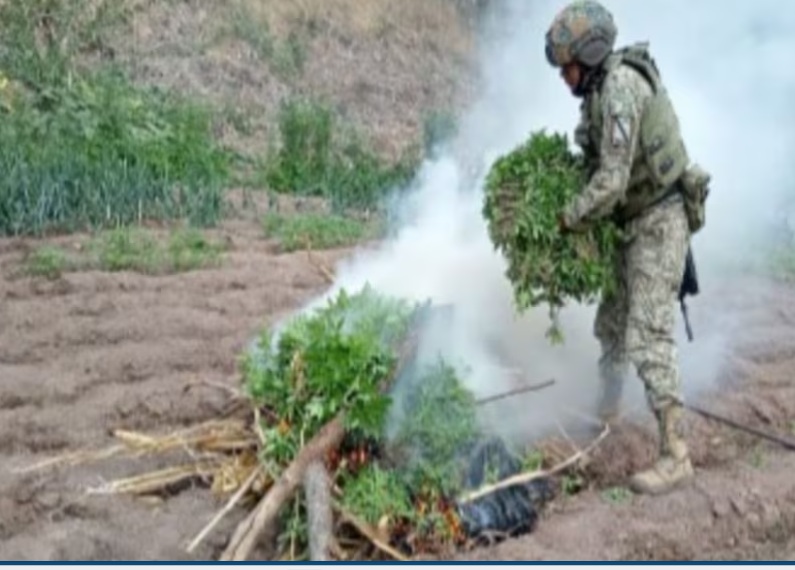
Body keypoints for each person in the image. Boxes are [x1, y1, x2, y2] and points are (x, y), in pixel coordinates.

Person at [544, 0, 709, 496]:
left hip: (659, 219)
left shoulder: (619, 89)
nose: (564, 76)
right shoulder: (597, 92)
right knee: (611, 321)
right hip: (631, 220)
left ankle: (676, 455)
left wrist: (568, 216)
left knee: (647, 335)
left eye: (567, 65)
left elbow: (612, 181)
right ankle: (609, 411)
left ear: (589, 56)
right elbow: (595, 163)